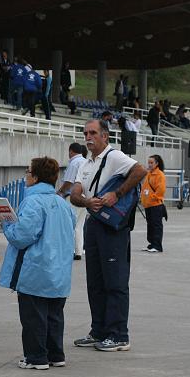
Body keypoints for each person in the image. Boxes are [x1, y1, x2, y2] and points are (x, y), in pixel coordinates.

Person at [70, 119, 147, 351]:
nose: (88, 137)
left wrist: (117, 193)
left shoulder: (114, 157)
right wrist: (85, 200)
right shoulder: (85, 163)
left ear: (105, 136)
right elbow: (75, 193)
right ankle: (99, 330)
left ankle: (118, 334)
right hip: (93, 223)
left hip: (112, 227)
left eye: (93, 133)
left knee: (115, 281)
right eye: (85, 133)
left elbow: (140, 170)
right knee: (95, 282)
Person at [0, 157, 75, 370]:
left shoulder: (32, 201)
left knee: (33, 317)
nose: (26, 175)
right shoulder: (62, 203)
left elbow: (22, 236)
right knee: (54, 316)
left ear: (35, 176)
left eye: (28, 171)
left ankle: (36, 357)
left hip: (36, 268)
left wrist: (7, 223)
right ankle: (55, 354)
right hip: (59, 270)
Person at [57, 143, 88, 260]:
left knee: (70, 225)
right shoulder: (87, 161)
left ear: (71, 151)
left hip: (73, 197)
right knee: (80, 225)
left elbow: (69, 182)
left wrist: (59, 192)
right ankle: (78, 251)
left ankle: (70, 250)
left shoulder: (74, 163)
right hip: (85, 197)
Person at [141, 155, 167, 253]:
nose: (149, 164)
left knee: (156, 225)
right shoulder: (149, 174)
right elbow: (145, 188)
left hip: (156, 205)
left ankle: (157, 246)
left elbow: (161, 190)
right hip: (148, 205)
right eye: (149, 162)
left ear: (157, 164)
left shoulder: (160, 175)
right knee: (150, 225)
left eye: (151, 163)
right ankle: (151, 244)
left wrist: (152, 198)